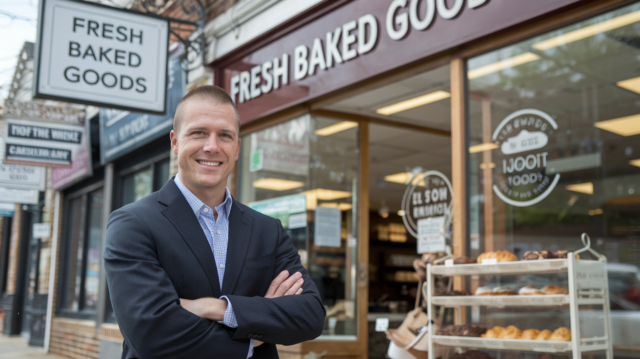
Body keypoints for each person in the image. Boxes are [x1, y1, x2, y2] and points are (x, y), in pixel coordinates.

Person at [104, 85, 326, 359]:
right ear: (175, 142)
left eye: (224, 135)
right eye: (199, 133)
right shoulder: (133, 224)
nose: (212, 146)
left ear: (236, 148)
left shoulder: (267, 229)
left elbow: (310, 316)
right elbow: (151, 332)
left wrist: (218, 308)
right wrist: (253, 333)